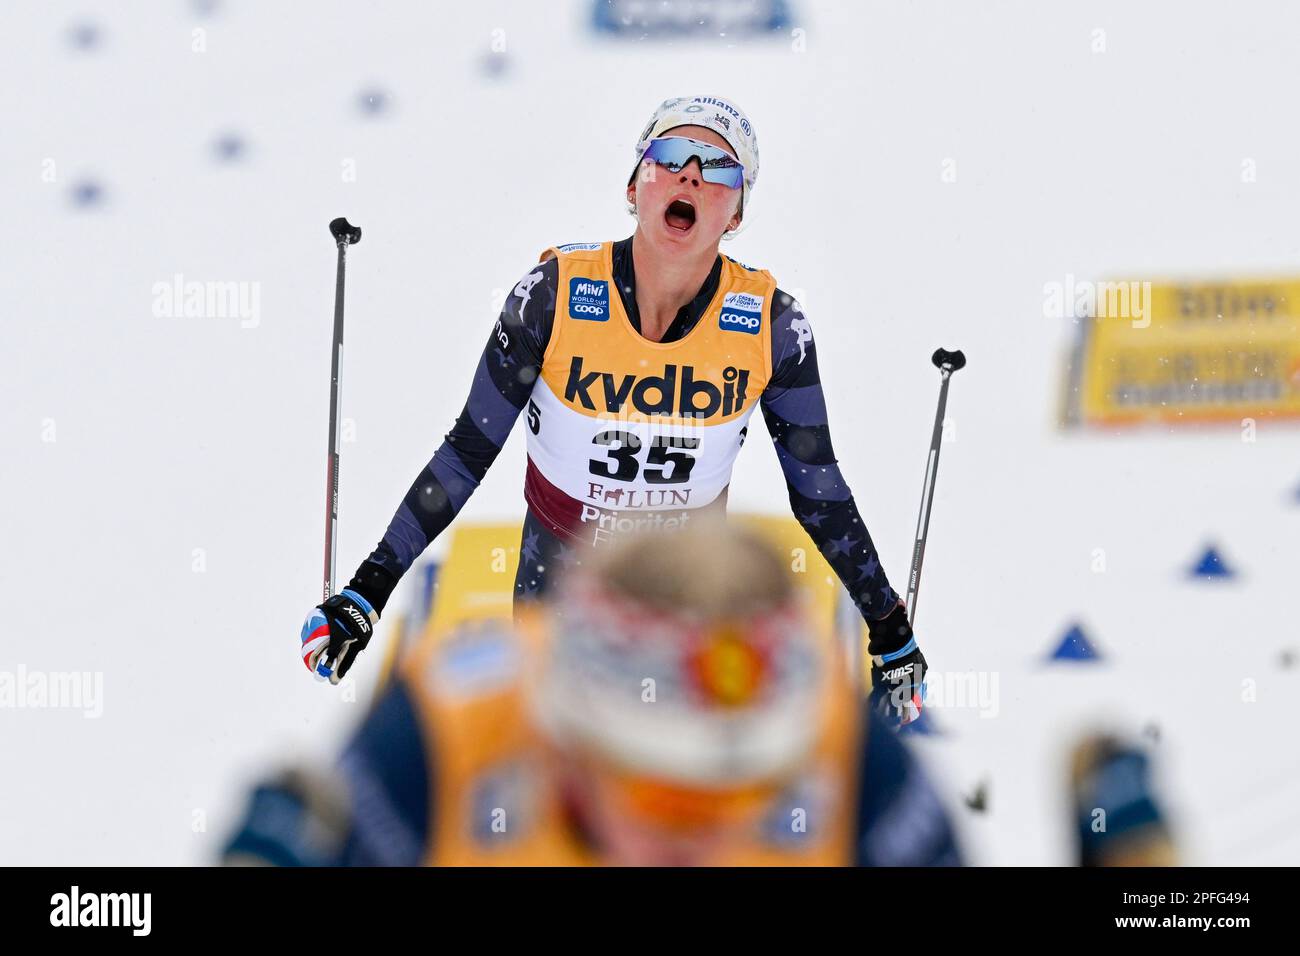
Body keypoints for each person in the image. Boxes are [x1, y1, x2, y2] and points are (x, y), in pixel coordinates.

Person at [300, 94, 927, 724]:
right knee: (558, 786)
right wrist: (367, 591)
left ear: (736, 214)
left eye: (718, 167)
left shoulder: (772, 326)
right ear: (635, 186)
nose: (691, 175)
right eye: (671, 156)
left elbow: (818, 491)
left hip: (694, 598)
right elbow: (467, 452)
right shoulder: (551, 297)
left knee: (684, 794)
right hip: (562, 589)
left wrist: (890, 631)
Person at [237, 523, 960, 865]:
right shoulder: (443, 739)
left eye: (747, 794)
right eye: (666, 798)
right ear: (567, 744)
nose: (697, 845)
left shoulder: (842, 752)